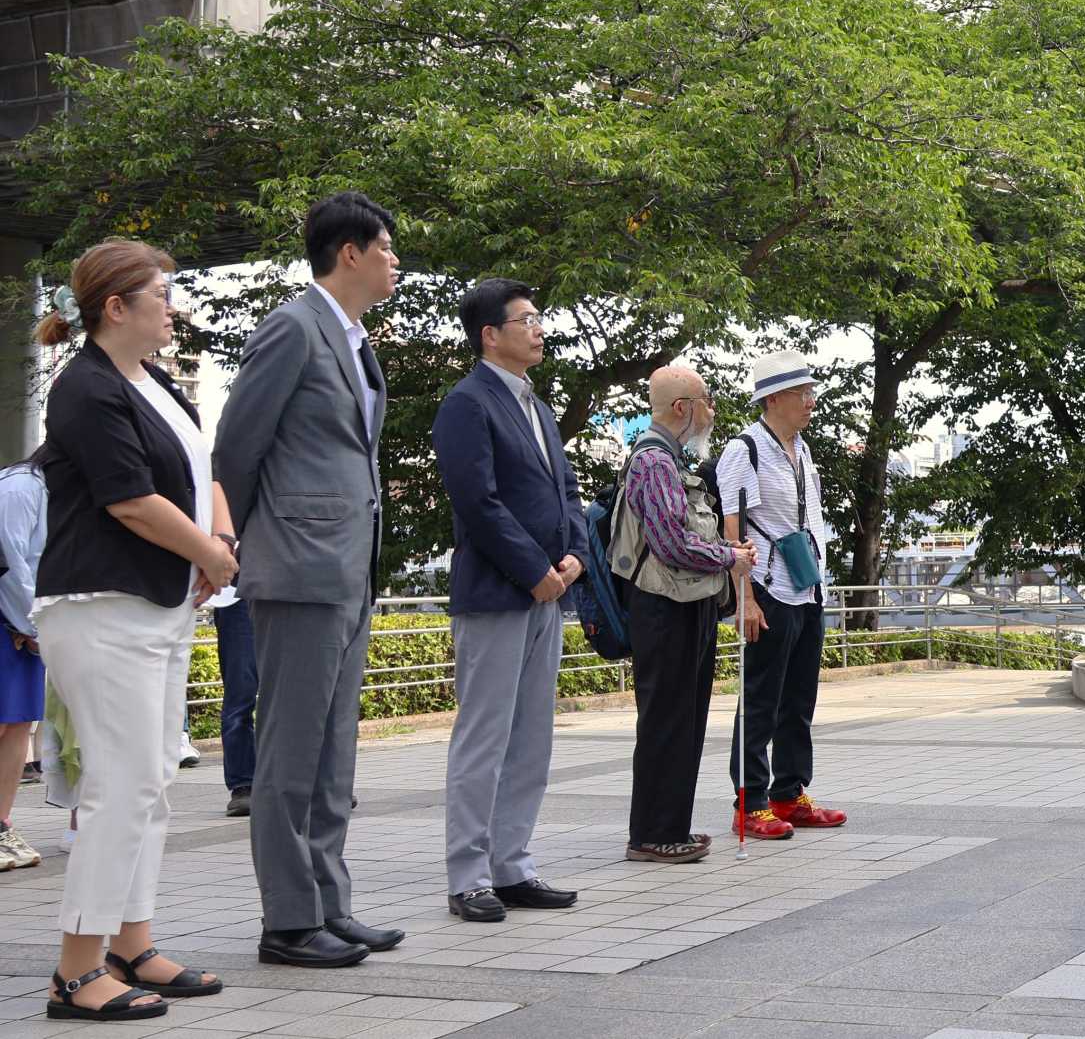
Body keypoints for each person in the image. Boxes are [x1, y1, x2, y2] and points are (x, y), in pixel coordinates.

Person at [32, 241, 238, 1020]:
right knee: (118, 785)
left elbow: (197, 475)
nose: (172, 307)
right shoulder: (85, 387)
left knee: (149, 780)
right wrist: (212, 553)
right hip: (99, 606)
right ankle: (76, 969)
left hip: (157, 604)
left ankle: (131, 943)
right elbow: (127, 499)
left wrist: (218, 545)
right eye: (161, 294)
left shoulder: (153, 384)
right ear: (115, 306)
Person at [213, 193, 401, 969]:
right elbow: (235, 447)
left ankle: (328, 902)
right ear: (348, 253)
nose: (396, 260)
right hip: (299, 567)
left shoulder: (354, 340)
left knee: (334, 754)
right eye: (386, 247)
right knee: (289, 757)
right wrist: (271, 538)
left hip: (347, 569)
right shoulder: (293, 326)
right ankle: (286, 921)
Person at [433, 279, 589, 922]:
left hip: (548, 593)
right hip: (498, 595)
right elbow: (478, 501)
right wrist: (532, 570)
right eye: (526, 319)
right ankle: (468, 875)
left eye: (539, 318)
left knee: (531, 738)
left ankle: (512, 865)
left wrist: (575, 553)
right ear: (489, 334)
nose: (539, 328)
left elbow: (567, 489)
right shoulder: (467, 404)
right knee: (484, 736)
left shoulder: (538, 406)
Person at [622, 364, 755, 863]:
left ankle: (670, 826)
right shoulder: (654, 462)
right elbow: (671, 542)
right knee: (667, 721)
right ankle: (653, 834)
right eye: (707, 400)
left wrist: (724, 551)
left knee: (686, 719)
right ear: (683, 408)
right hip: (663, 609)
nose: (712, 410)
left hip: (685, 605)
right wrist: (730, 557)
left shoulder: (673, 459)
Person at [718, 351, 845, 841]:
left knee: (799, 697)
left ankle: (789, 794)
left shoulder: (802, 449)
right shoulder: (744, 449)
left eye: (811, 392)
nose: (811, 401)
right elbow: (733, 526)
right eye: (802, 393)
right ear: (773, 398)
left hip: (807, 585)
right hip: (768, 587)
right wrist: (743, 598)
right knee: (761, 699)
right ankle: (749, 802)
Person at [0, 445, 51, 872]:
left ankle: (1, 825)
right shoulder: (20, 486)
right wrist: (31, 626)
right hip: (11, 620)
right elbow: (12, 563)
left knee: (19, 724)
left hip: (29, 623)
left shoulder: (54, 489)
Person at [204, 581, 257, 819]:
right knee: (240, 694)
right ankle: (243, 784)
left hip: (287, 588)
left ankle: (316, 782)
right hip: (237, 595)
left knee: (296, 692)